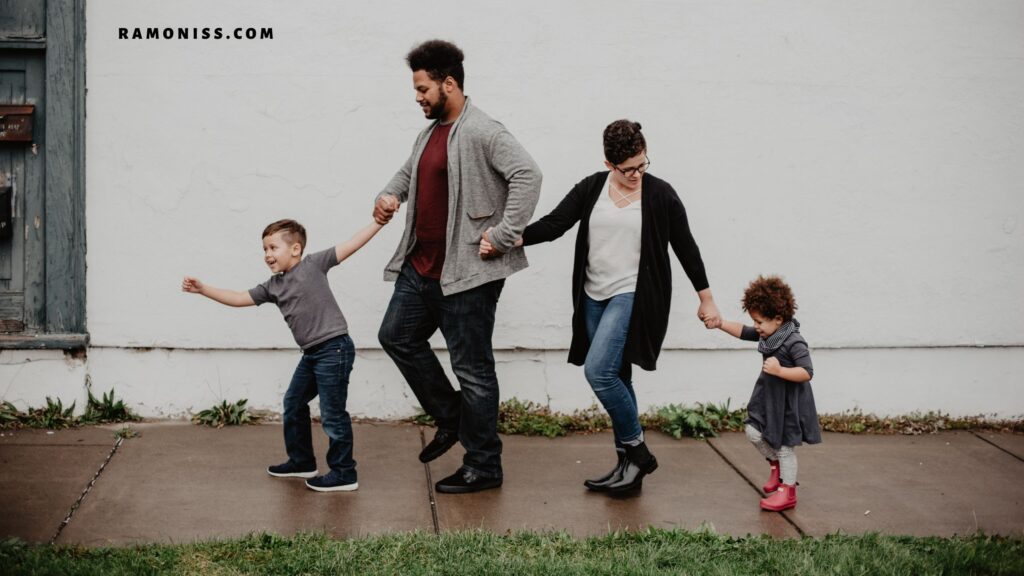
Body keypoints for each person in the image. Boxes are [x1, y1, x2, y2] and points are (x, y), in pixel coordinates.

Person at [482, 120, 720, 494]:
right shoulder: (593, 187)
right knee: (619, 376)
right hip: (593, 296)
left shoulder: (660, 195)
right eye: (628, 169)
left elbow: (686, 247)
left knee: (599, 372)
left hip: (633, 295)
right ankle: (628, 469)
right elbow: (555, 224)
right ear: (610, 164)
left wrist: (705, 297)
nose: (637, 174)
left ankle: (638, 452)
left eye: (643, 165)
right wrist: (507, 239)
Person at [374, 40, 542, 494]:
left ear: (449, 83)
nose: (418, 97)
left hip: (466, 274)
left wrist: (504, 234)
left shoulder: (483, 130)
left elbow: (529, 175)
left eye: (423, 88)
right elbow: (409, 173)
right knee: (396, 337)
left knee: (473, 370)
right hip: (421, 267)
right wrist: (388, 196)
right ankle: (452, 419)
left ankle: (484, 465)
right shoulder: (429, 133)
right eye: (416, 89)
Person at [182, 218, 383, 492]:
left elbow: (351, 244)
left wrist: (378, 222)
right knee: (294, 402)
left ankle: (344, 472)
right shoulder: (273, 286)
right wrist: (204, 290)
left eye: (273, 248)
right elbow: (240, 297)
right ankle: (302, 461)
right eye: (264, 249)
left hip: (334, 349)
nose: (267, 255)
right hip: (311, 354)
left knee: (333, 414)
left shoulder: (314, 264)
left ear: (295, 249)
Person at [714, 275, 821, 511]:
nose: (757, 327)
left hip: (788, 404)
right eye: (755, 321)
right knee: (753, 431)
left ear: (778, 318)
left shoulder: (794, 341)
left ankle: (788, 491)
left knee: (784, 447)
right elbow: (743, 331)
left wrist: (780, 370)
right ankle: (776, 465)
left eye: (760, 321)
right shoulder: (769, 333)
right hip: (769, 398)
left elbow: (807, 372)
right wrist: (720, 323)